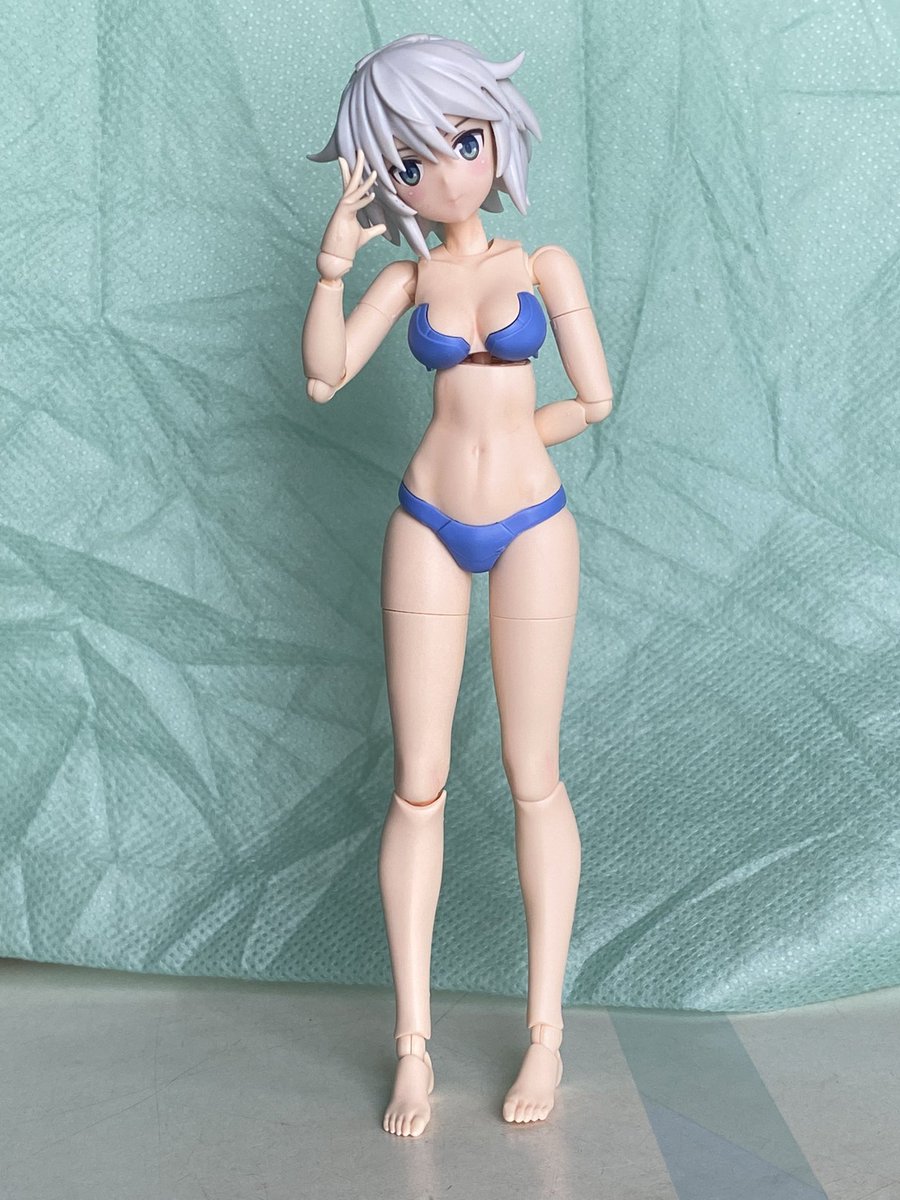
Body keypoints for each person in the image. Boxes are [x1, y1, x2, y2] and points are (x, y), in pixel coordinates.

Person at [302, 33, 613, 1137]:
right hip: (426, 523)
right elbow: (325, 376)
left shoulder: (544, 267)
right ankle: (413, 1051)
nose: (442, 171)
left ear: (495, 135)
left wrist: (522, 438)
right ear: (389, 177)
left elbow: (595, 400)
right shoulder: (407, 277)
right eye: (410, 160)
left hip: (533, 523)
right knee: (418, 783)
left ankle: (545, 1035)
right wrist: (333, 265)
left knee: (534, 774)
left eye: (462, 141)